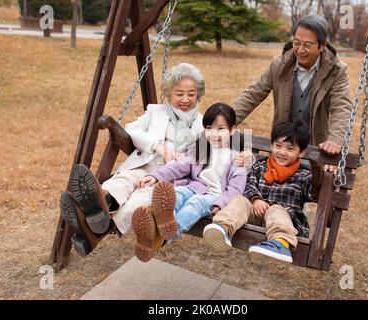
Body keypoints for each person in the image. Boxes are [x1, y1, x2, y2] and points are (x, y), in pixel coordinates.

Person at [60, 62, 206, 257]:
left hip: (168, 179)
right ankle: (103, 201)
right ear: (169, 94)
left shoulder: (203, 124)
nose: (186, 99)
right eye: (179, 94)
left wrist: (181, 161)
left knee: (141, 199)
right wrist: (157, 146)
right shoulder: (156, 112)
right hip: (144, 163)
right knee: (124, 180)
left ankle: (95, 226)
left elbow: (201, 159)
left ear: (198, 94)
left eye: (191, 94)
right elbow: (131, 129)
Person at [203, 119, 336, 264]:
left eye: (290, 149)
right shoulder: (260, 166)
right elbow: (248, 184)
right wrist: (256, 199)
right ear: (271, 145)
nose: (282, 152)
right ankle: (223, 228)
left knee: (276, 209)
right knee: (240, 200)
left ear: (302, 152)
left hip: (284, 222)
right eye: (278, 146)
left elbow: (314, 193)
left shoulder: (303, 175)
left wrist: (323, 175)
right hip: (255, 215)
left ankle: (280, 244)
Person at [130, 103, 248, 262]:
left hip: (215, 196)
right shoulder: (201, 148)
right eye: (209, 128)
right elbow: (180, 164)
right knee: (177, 194)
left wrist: (220, 204)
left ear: (232, 130)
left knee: (195, 203)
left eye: (220, 128)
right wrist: (157, 176)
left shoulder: (237, 158)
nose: (214, 134)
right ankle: (152, 222)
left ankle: (164, 236)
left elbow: (235, 189)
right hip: (194, 187)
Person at [233, 14, 352, 156]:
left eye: (307, 45)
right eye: (296, 43)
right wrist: (227, 121)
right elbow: (253, 94)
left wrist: (335, 140)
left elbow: (341, 107)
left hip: (314, 147)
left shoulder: (336, 70)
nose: (300, 50)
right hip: (283, 147)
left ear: (322, 45)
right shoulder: (279, 64)